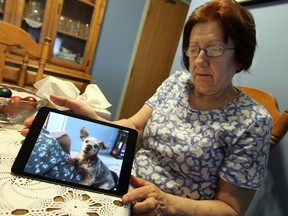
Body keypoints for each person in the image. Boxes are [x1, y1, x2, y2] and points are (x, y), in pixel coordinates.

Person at [22, 0, 272, 215]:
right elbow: (133, 127)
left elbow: (230, 208)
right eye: (193, 49)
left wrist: (166, 203)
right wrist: (94, 119)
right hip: (122, 185)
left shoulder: (252, 121)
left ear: (240, 55)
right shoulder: (177, 83)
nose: (199, 61)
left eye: (214, 49)